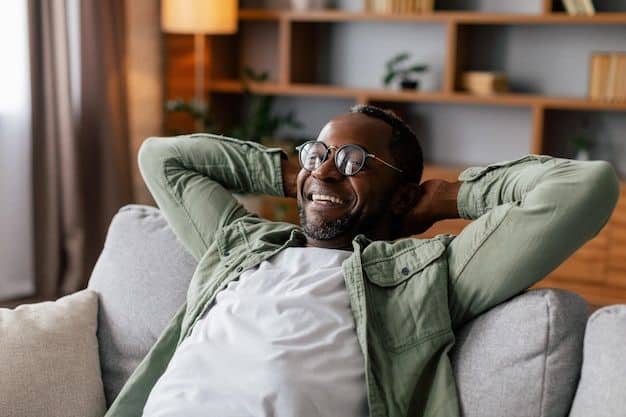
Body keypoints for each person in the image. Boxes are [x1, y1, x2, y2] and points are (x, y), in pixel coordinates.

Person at [105, 105, 619, 417]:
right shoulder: (241, 244)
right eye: (318, 153)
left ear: (401, 197)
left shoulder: (424, 275)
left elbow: (585, 187)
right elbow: (161, 157)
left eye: (354, 161)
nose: (327, 170)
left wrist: (446, 198)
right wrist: (301, 176)